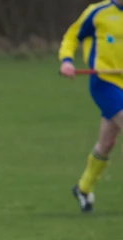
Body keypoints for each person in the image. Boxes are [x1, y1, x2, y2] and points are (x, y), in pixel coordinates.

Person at [59, 0, 123, 212]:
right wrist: (67, 60)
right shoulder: (98, 12)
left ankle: (83, 188)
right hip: (105, 82)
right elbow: (71, 36)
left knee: (107, 143)